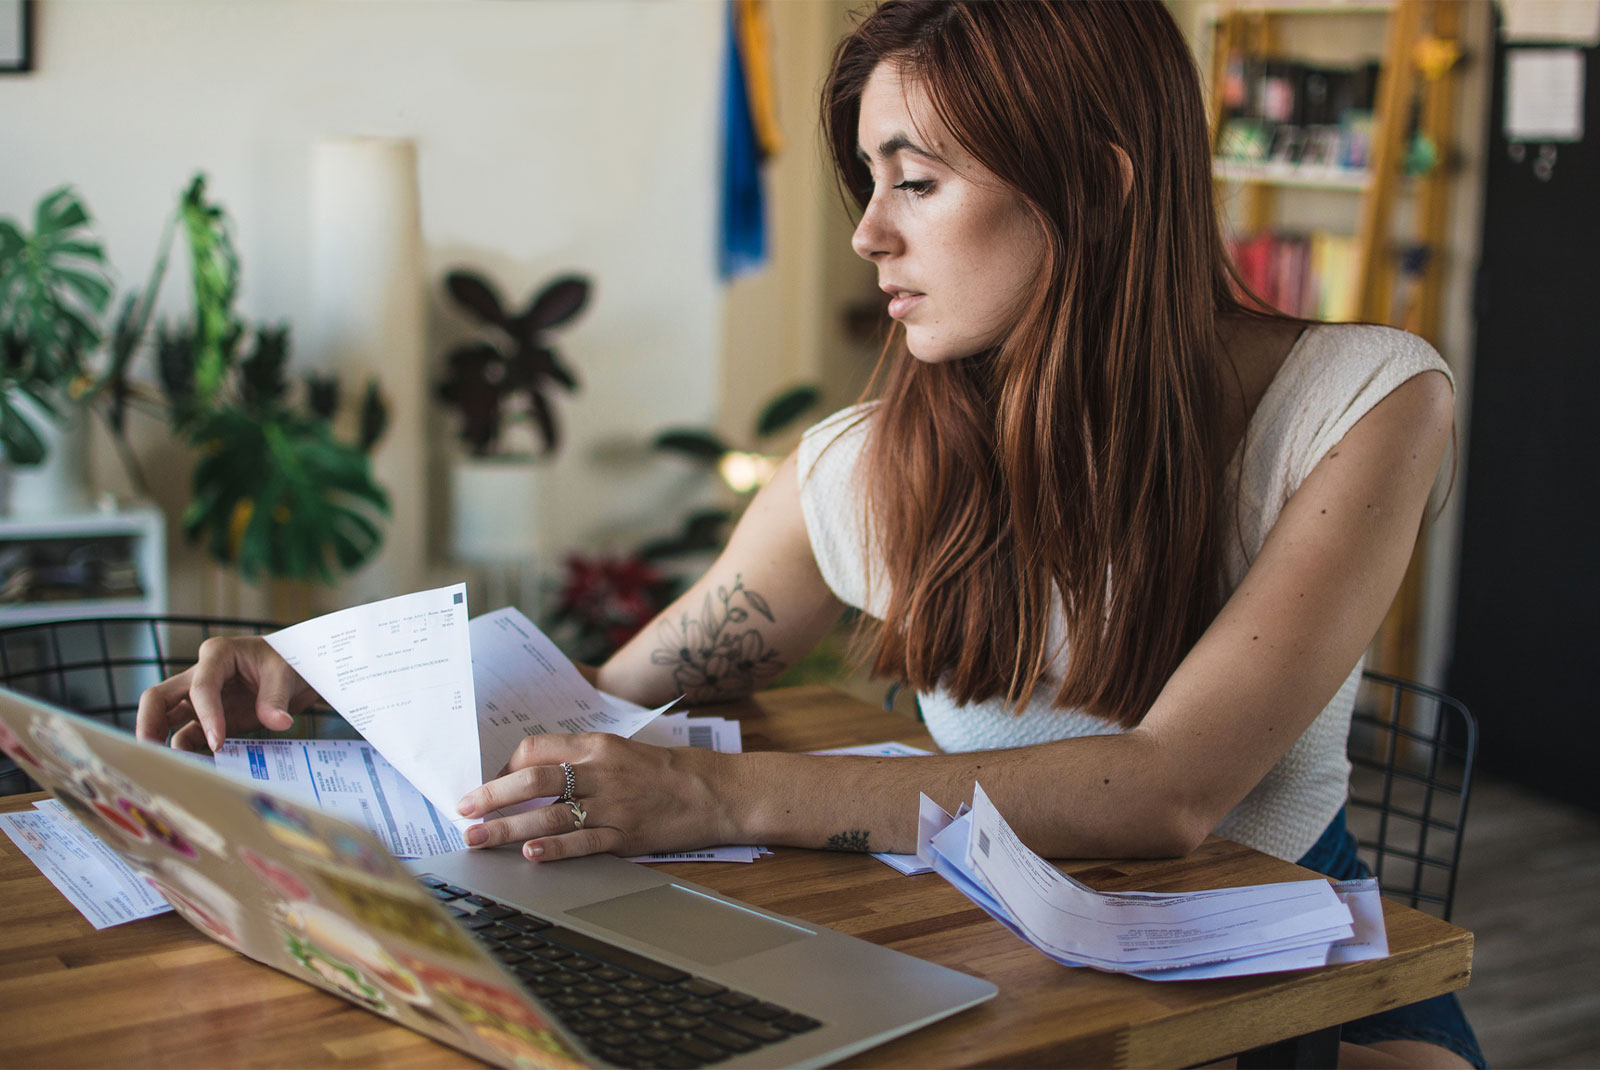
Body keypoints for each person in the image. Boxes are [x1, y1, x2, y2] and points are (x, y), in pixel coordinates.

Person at [137, 3, 1482, 1066]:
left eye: (917, 180)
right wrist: (338, 682)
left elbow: (1171, 787)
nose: (865, 231)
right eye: (866, 179)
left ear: (1103, 186)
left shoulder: (1363, 398)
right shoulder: (859, 469)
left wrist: (726, 795)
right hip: (1001, 974)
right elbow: (605, 694)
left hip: (1288, 965)